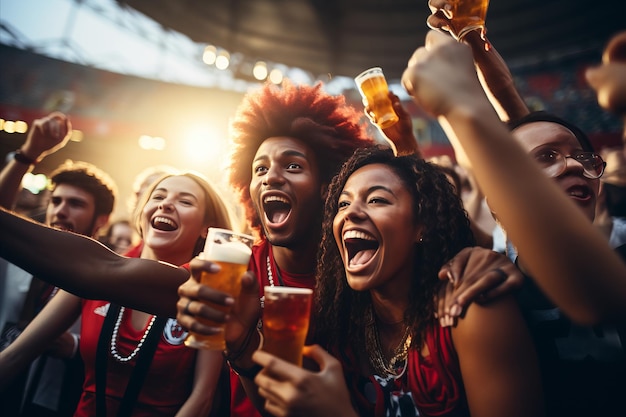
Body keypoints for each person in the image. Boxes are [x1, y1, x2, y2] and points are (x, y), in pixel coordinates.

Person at [250, 145, 543, 417]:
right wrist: (240, 346)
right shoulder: (340, 324)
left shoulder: (469, 307)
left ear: (422, 225)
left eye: (377, 200)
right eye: (343, 204)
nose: (351, 212)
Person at [1, 171, 234, 416]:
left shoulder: (208, 292)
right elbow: (17, 354)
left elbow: (203, 399)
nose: (165, 204)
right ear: (143, 213)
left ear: (207, 228)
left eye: (185, 201)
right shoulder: (97, 279)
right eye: (157, 197)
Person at [0, 112, 117, 417]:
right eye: (56, 201)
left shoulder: (110, 280)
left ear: (101, 220)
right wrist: (29, 154)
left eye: (76, 204)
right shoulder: (20, 256)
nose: (61, 211)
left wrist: (75, 348)